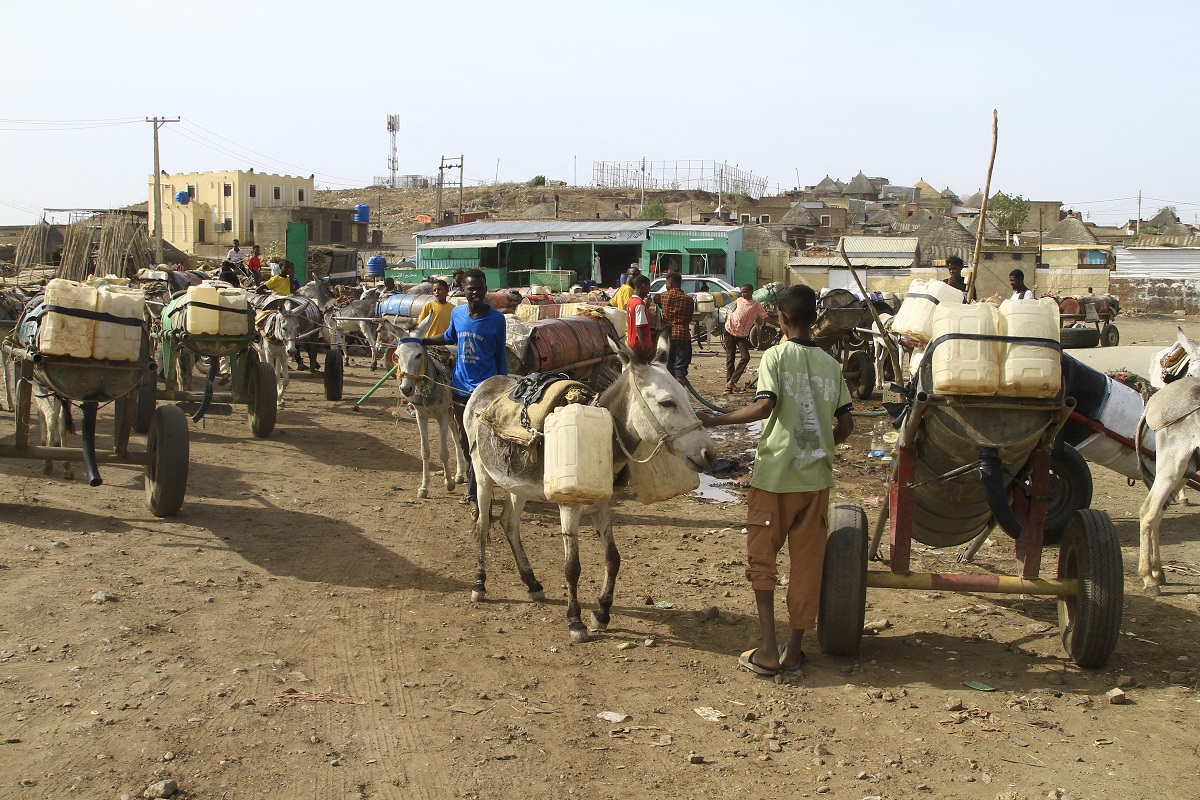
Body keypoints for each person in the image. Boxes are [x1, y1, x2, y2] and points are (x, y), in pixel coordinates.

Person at [700, 284, 853, 676]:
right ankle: (794, 650)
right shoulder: (832, 365)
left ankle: (768, 648)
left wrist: (714, 419)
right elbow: (846, 423)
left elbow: (764, 404)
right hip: (815, 481)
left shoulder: (775, 356)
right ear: (814, 318)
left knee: (763, 561)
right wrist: (821, 445)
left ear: (781, 319)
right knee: (806, 565)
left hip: (774, 479)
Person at [420, 268, 507, 511]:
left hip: (487, 392)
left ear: (485, 290)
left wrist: (503, 386)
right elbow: (448, 337)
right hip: (460, 391)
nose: (475, 293)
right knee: (466, 443)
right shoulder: (457, 314)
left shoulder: (497, 320)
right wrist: (424, 340)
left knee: (486, 442)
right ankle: (475, 489)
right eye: (471, 289)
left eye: (479, 288)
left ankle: (477, 494)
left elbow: (500, 355)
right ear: (464, 291)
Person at [723, 283, 778, 393]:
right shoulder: (739, 300)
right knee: (730, 358)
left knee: (745, 357)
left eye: (745, 292)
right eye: (742, 292)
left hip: (742, 335)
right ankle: (729, 386)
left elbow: (766, 318)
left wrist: (780, 326)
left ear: (751, 292)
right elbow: (734, 310)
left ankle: (732, 381)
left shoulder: (756, 305)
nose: (743, 294)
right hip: (729, 331)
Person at [655, 271, 695, 385]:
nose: (666, 286)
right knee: (680, 371)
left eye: (666, 283)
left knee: (668, 367)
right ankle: (679, 391)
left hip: (667, 336)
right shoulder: (688, 299)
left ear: (670, 283)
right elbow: (690, 316)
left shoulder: (663, 296)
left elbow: (654, 300)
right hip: (683, 335)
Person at [625, 275, 653, 356]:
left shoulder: (631, 301)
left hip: (631, 341)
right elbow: (639, 328)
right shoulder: (639, 304)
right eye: (648, 287)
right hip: (639, 345)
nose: (648, 290)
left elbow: (635, 318)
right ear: (643, 286)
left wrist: (646, 306)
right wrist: (644, 347)